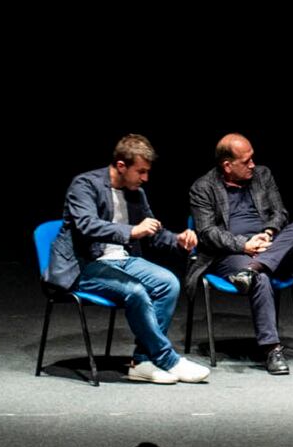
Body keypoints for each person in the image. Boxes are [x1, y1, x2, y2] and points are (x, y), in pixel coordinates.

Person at [44, 135, 208, 384]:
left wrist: (178, 240)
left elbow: (152, 233)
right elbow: (87, 225)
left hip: (122, 260)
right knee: (136, 292)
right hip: (84, 265)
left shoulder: (136, 194)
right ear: (121, 166)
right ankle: (167, 359)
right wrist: (132, 231)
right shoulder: (84, 185)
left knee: (169, 283)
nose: (145, 178)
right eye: (140, 171)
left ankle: (142, 360)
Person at [187, 133, 293, 375]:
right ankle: (272, 349)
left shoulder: (262, 175)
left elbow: (280, 213)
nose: (252, 165)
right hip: (229, 253)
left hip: (268, 245)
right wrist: (245, 245)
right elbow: (207, 233)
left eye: (252, 158)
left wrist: (267, 232)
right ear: (227, 165)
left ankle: (254, 268)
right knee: (262, 278)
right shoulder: (203, 188)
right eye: (246, 161)